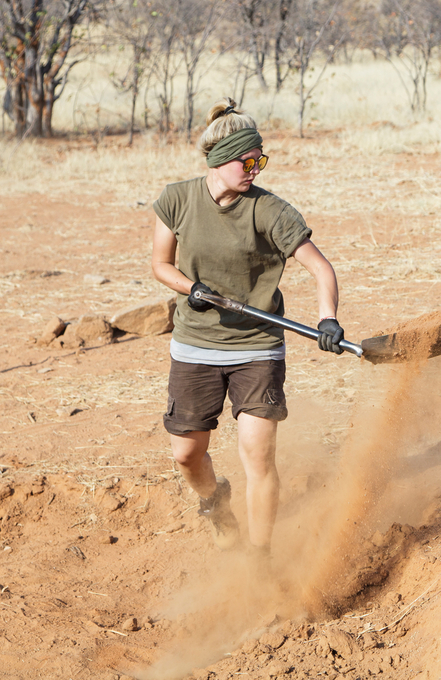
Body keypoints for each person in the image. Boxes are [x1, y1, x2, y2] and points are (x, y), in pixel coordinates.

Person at [151, 97, 345, 555]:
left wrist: (328, 318)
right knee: (186, 454)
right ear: (220, 161)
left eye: (261, 158)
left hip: (257, 348)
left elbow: (322, 270)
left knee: (258, 456)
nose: (256, 167)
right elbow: (160, 264)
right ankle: (216, 501)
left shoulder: (271, 211)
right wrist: (189, 287)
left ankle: (259, 555)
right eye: (248, 159)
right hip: (196, 345)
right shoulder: (176, 200)